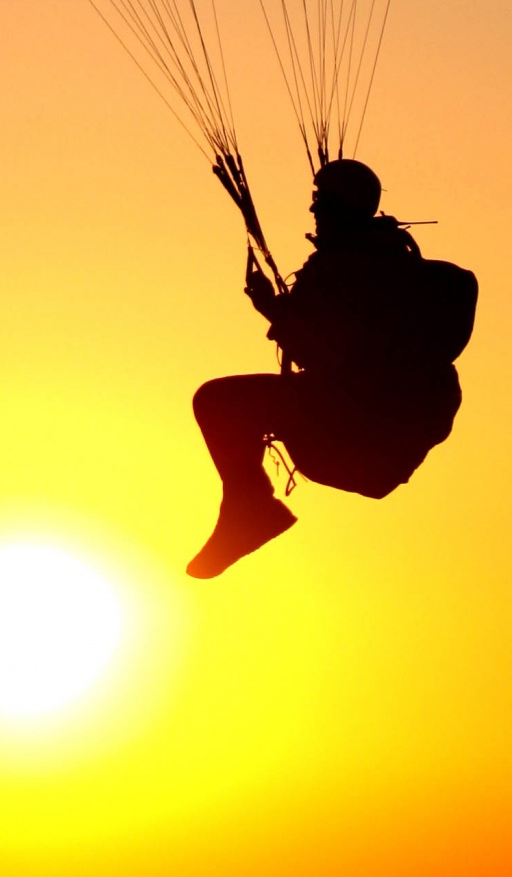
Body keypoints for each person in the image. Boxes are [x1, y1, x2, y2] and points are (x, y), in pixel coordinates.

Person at [187, 157, 477, 579]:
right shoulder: (382, 265)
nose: (313, 211)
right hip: (371, 446)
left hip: (355, 433)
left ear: (343, 208)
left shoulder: (353, 273)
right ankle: (249, 508)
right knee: (225, 403)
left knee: (218, 401)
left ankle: (251, 509)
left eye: (320, 201)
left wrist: (274, 311)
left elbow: (345, 356)